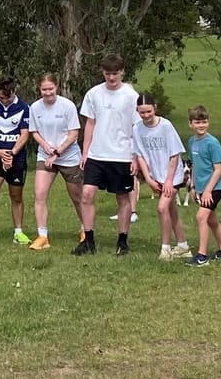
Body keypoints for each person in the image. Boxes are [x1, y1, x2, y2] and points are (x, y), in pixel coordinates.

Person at [78, 55, 140, 256]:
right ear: (102, 72)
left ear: (122, 71)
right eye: (107, 73)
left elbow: (137, 127)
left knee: (123, 199)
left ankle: (122, 241)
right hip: (97, 154)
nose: (111, 77)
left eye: (115, 73)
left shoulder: (131, 96)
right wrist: (85, 152)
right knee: (87, 194)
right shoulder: (94, 93)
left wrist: (135, 156)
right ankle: (88, 240)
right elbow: (90, 123)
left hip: (122, 155)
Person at [27, 73, 85, 251]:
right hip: (46, 156)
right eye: (44, 89)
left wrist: (58, 152)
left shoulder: (67, 106)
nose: (47, 93)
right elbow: (34, 131)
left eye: (50, 89)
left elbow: (74, 133)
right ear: (39, 89)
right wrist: (45, 146)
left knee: (77, 196)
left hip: (68, 156)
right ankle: (42, 236)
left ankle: (86, 229)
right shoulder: (35, 107)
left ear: (56, 88)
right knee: (40, 195)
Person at [131, 94, 188, 258]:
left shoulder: (166, 126)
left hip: (173, 175)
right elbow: (140, 155)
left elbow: (174, 154)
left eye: (149, 111)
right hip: (156, 175)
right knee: (171, 210)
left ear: (154, 108)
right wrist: (148, 178)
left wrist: (169, 180)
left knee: (162, 208)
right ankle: (183, 245)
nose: (146, 116)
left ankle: (165, 249)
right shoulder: (137, 128)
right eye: (142, 113)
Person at [0, 77, 33, 248]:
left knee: (16, 196)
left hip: (16, 158)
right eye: (1, 97)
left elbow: (25, 134)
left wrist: (11, 153)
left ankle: (18, 232)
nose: (3, 100)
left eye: (7, 98)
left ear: (13, 93)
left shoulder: (24, 108)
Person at [185, 105, 221, 267]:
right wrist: (193, 187)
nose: (201, 125)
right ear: (190, 124)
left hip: (214, 188)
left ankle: (202, 256)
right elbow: (194, 165)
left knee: (201, 217)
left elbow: (218, 169)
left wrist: (208, 191)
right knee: (212, 220)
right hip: (201, 189)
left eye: (204, 122)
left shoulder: (212, 143)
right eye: (197, 122)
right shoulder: (192, 141)